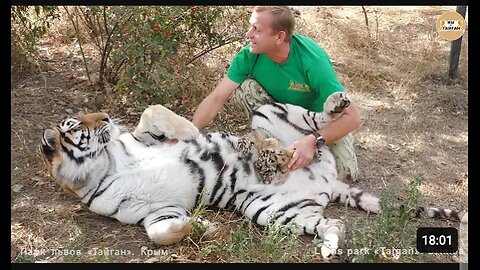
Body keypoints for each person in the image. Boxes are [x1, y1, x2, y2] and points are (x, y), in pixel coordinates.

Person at [192, 6, 360, 182]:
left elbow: (353, 118)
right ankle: (272, 148)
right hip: (283, 121)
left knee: (345, 177)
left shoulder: (312, 61)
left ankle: (309, 150)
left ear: (280, 37)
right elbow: (216, 98)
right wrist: (188, 135)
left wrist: (313, 140)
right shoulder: (249, 56)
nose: (248, 34)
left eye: (257, 29)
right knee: (246, 88)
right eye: (251, 27)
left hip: (320, 123)